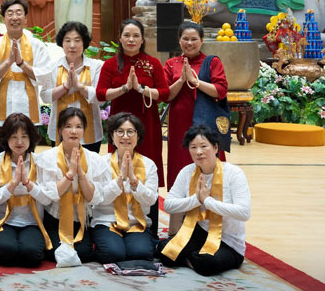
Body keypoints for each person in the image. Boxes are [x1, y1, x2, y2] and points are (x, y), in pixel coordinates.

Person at [159, 125, 251, 276]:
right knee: (164, 252)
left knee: (207, 264)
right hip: (200, 233)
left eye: (203, 146)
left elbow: (244, 213)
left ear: (215, 148)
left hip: (228, 241)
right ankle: (193, 255)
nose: (198, 152)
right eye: (193, 147)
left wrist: (207, 201)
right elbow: (169, 205)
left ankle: (191, 256)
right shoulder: (187, 171)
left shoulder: (234, 173)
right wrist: (196, 199)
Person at [96, 18, 169, 190]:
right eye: (127, 35)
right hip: (119, 123)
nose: (131, 39)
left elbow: (165, 93)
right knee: (119, 162)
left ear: (142, 40)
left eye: (136, 36)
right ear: (120, 38)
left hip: (147, 122)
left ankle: (148, 203)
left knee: (147, 162)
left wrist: (141, 89)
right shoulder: (110, 64)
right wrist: (125, 88)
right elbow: (100, 94)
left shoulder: (153, 63)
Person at [35, 107, 107, 265]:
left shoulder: (94, 159)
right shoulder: (47, 158)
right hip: (55, 217)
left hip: (81, 218)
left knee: (84, 253)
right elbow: (49, 197)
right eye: (68, 126)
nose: (74, 131)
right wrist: (69, 174)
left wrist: (80, 172)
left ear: (84, 131)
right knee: (51, 252)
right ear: (60, 130)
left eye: (79, 126)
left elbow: (92, 198)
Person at [164, 21, 228, 187]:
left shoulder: (212, 62)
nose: (189, 43)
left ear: (202, 40)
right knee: (180, 160)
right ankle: (182, 202)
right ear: (179, 41)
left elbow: (220, 90)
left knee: (207, 159)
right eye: (185, 39)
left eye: (194, 39)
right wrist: (181, 81)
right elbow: (165, 95)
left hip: (206, 121)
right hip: (180, 123)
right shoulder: (171, 64)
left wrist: (195, 82)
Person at [88, 113, 158, 264]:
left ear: (138, 136)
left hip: (136, 222)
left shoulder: (149, 164)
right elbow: (98, 199)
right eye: (120, 131)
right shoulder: (100, 163)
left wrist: (133, 180)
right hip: (107, 221)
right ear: (112, 136)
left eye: (130, 132)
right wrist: (120, 179)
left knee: (141, 254)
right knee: (113, 254)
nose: (125, 136)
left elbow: (151, 200)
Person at [0, 0, 53, 154]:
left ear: (25, 18)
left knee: (27, 156)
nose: (14, 17)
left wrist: (22, 64)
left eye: (19, 13)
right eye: (9, 13)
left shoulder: (36, 45)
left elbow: (45, 76)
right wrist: (8, 62)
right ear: (3, 19)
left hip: (27, 109)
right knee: (0, 156)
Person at [0, 113, 52, 268]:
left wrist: (28, 184)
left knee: (32, 255)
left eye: (24, 136)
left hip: (32, 222)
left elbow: (47, 199)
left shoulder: (40, 162)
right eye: (14, 136)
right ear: (6, 138)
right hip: (3, 221)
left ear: (31, 138)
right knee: (5, 252)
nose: (19, 142)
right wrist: (13, 184)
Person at [39, 21, 103, 153]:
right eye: (67, 40)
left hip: (90, 132)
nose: (72, 45)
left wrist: (80, 86)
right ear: (61, 43)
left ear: (84, 43)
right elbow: (45, 96)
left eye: (77, 40)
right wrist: (66, 86)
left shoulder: (96, 66)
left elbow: (100, 97)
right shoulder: (52, 66)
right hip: (59, 130)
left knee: (87, 170)